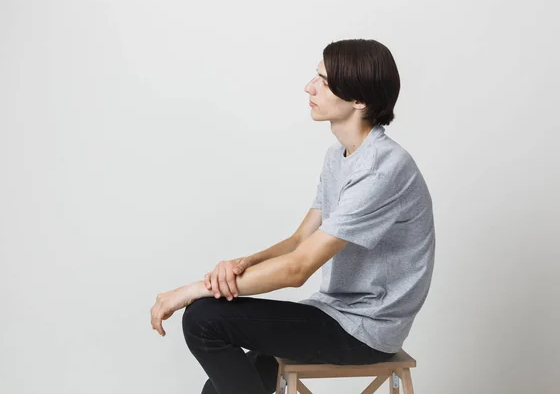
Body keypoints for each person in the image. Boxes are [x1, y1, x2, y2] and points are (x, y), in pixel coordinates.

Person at [150, 38, 436, 394]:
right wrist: (239, 265)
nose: (309, 87)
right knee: (221, 386)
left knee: (203, 318)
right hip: (333, 312)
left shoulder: (382, 168)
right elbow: (299, 241)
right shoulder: (340, 156)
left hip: (366, 329)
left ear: (360, 99)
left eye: (324, 81)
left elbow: (298, 269)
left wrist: (193, 291)